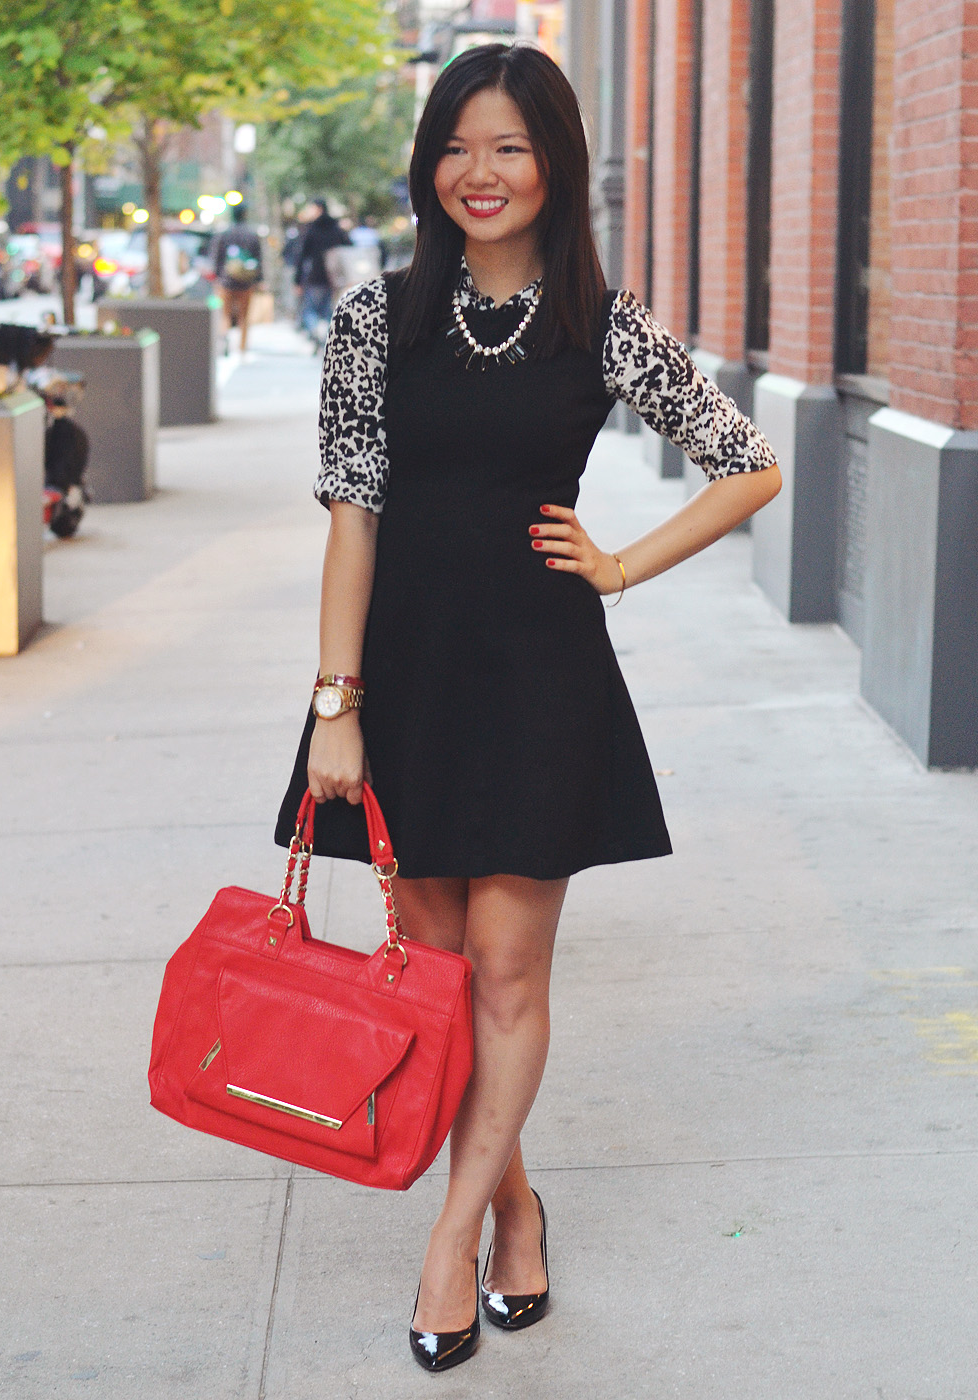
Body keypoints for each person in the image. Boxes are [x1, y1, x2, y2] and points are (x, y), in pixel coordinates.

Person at [275, 42, 780, 1372]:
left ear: (554, 162)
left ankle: (453, 1241)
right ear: (427, 164)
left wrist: (618, 565)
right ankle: (515, 1204)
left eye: (508, 146)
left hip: (541, 679)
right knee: (437, 983)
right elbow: (351, 520)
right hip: (405, 679)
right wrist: (336, 701)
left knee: (505, 975)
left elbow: (747, 463)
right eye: (455, 146)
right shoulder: (376, 318)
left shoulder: (602, 324)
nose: (479, 172)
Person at [294, 199, 349, 347]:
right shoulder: (337, 229)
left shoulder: (311, 229)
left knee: (310, 310)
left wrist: (297, 281)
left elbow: (302, 256)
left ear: (318, 209)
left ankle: (317, 333)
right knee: (328, 310)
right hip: (336, 278)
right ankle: (326, 335)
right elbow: (348, 249)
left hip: (315, 277)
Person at [213, 204, 263, 353]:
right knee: (244, 316)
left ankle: (224, 339)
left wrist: (217, 276)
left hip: (226, 281)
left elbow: (217, 257)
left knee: (225, 314)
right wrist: (259, 279)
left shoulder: (225, 234)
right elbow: (258, 259)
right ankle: (242, 346)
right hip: (246, 282)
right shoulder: (252, 235)